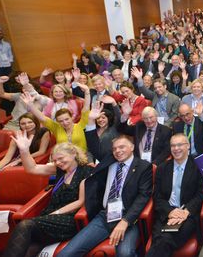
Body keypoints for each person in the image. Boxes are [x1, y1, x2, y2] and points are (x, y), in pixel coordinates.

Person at [58, 107, 153, 257]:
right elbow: (95, 147)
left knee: (125, 253)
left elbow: (143, 196)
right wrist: (90, 121)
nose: (118, 151)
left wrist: (125, 221)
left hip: (128, 218)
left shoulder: (143, 167)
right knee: (66, 253)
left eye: (122, 147)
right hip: (104, 216)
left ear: (132, 148)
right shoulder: (109, 160)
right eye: (115, 148)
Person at [3, 132, 92, 257]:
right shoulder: (60, 170)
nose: (59, 163)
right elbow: (31, 168)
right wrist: (24, 150)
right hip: (49, 216)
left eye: (61, 158)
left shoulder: (86, 171)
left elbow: (80, 202)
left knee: (25, 225)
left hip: (69, 219)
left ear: (73, 154)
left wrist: (56, 213)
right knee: (29, 250)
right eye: (55, 160)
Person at [146, 134, 203, 257]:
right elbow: (157, 196)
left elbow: (201, 194)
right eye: (173, 145)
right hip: (166, 214)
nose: (176, 148)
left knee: (164, 240)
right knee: (161, 240)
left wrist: (186, 211)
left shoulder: (198, 166)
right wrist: (170, 212)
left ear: (188, 146)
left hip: (187, 216)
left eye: (180, 145)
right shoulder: (162, 168)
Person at [21, 86, 91, 152]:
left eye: (67, 119)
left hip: (81, 157)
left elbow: (86, 109)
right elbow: (42, 118)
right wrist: (30, 105)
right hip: (63, 158)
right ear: (57, 122)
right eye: (61, 121)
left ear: (71, 118)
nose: (64, 122)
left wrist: (87, 92)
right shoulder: (57, 128)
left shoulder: (81, 125)